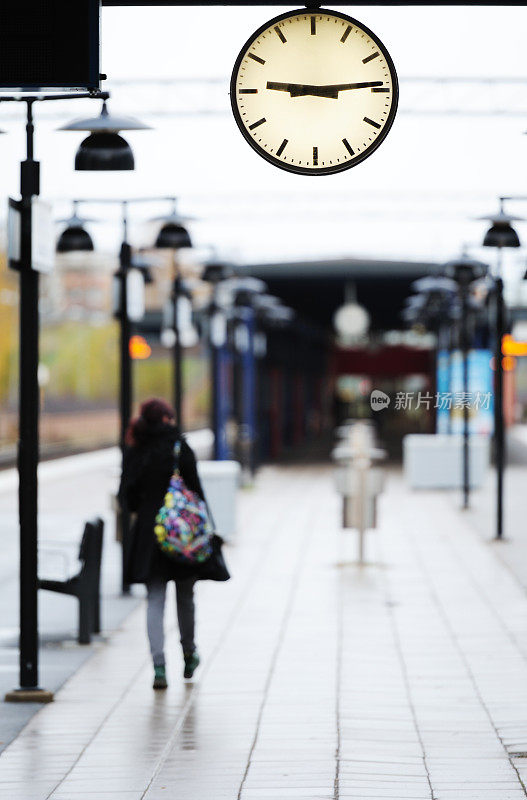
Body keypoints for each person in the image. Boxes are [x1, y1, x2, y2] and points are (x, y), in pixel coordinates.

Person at [119, 397, 207, 689]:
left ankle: (159, 667)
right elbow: (197, 493)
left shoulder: (136, 449)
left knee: (155, 599)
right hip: (181, 533)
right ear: (168, 419)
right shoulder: (179, 448)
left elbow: (127, 497)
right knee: (185, 596)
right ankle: (189, 653)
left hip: (148, 534)